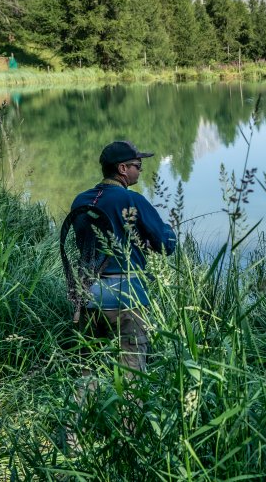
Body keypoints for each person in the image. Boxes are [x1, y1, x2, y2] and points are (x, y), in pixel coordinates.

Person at [69, 140, 176, 374]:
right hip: (126, 296)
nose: (140, 170)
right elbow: (165, 245)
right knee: (132, 369)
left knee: (88, 370)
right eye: (138, 165)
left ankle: (84, 408)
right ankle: (129, 410)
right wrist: (168, 230)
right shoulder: (132, 200)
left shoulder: (81, 200)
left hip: (87, 295)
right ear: (122, 169)